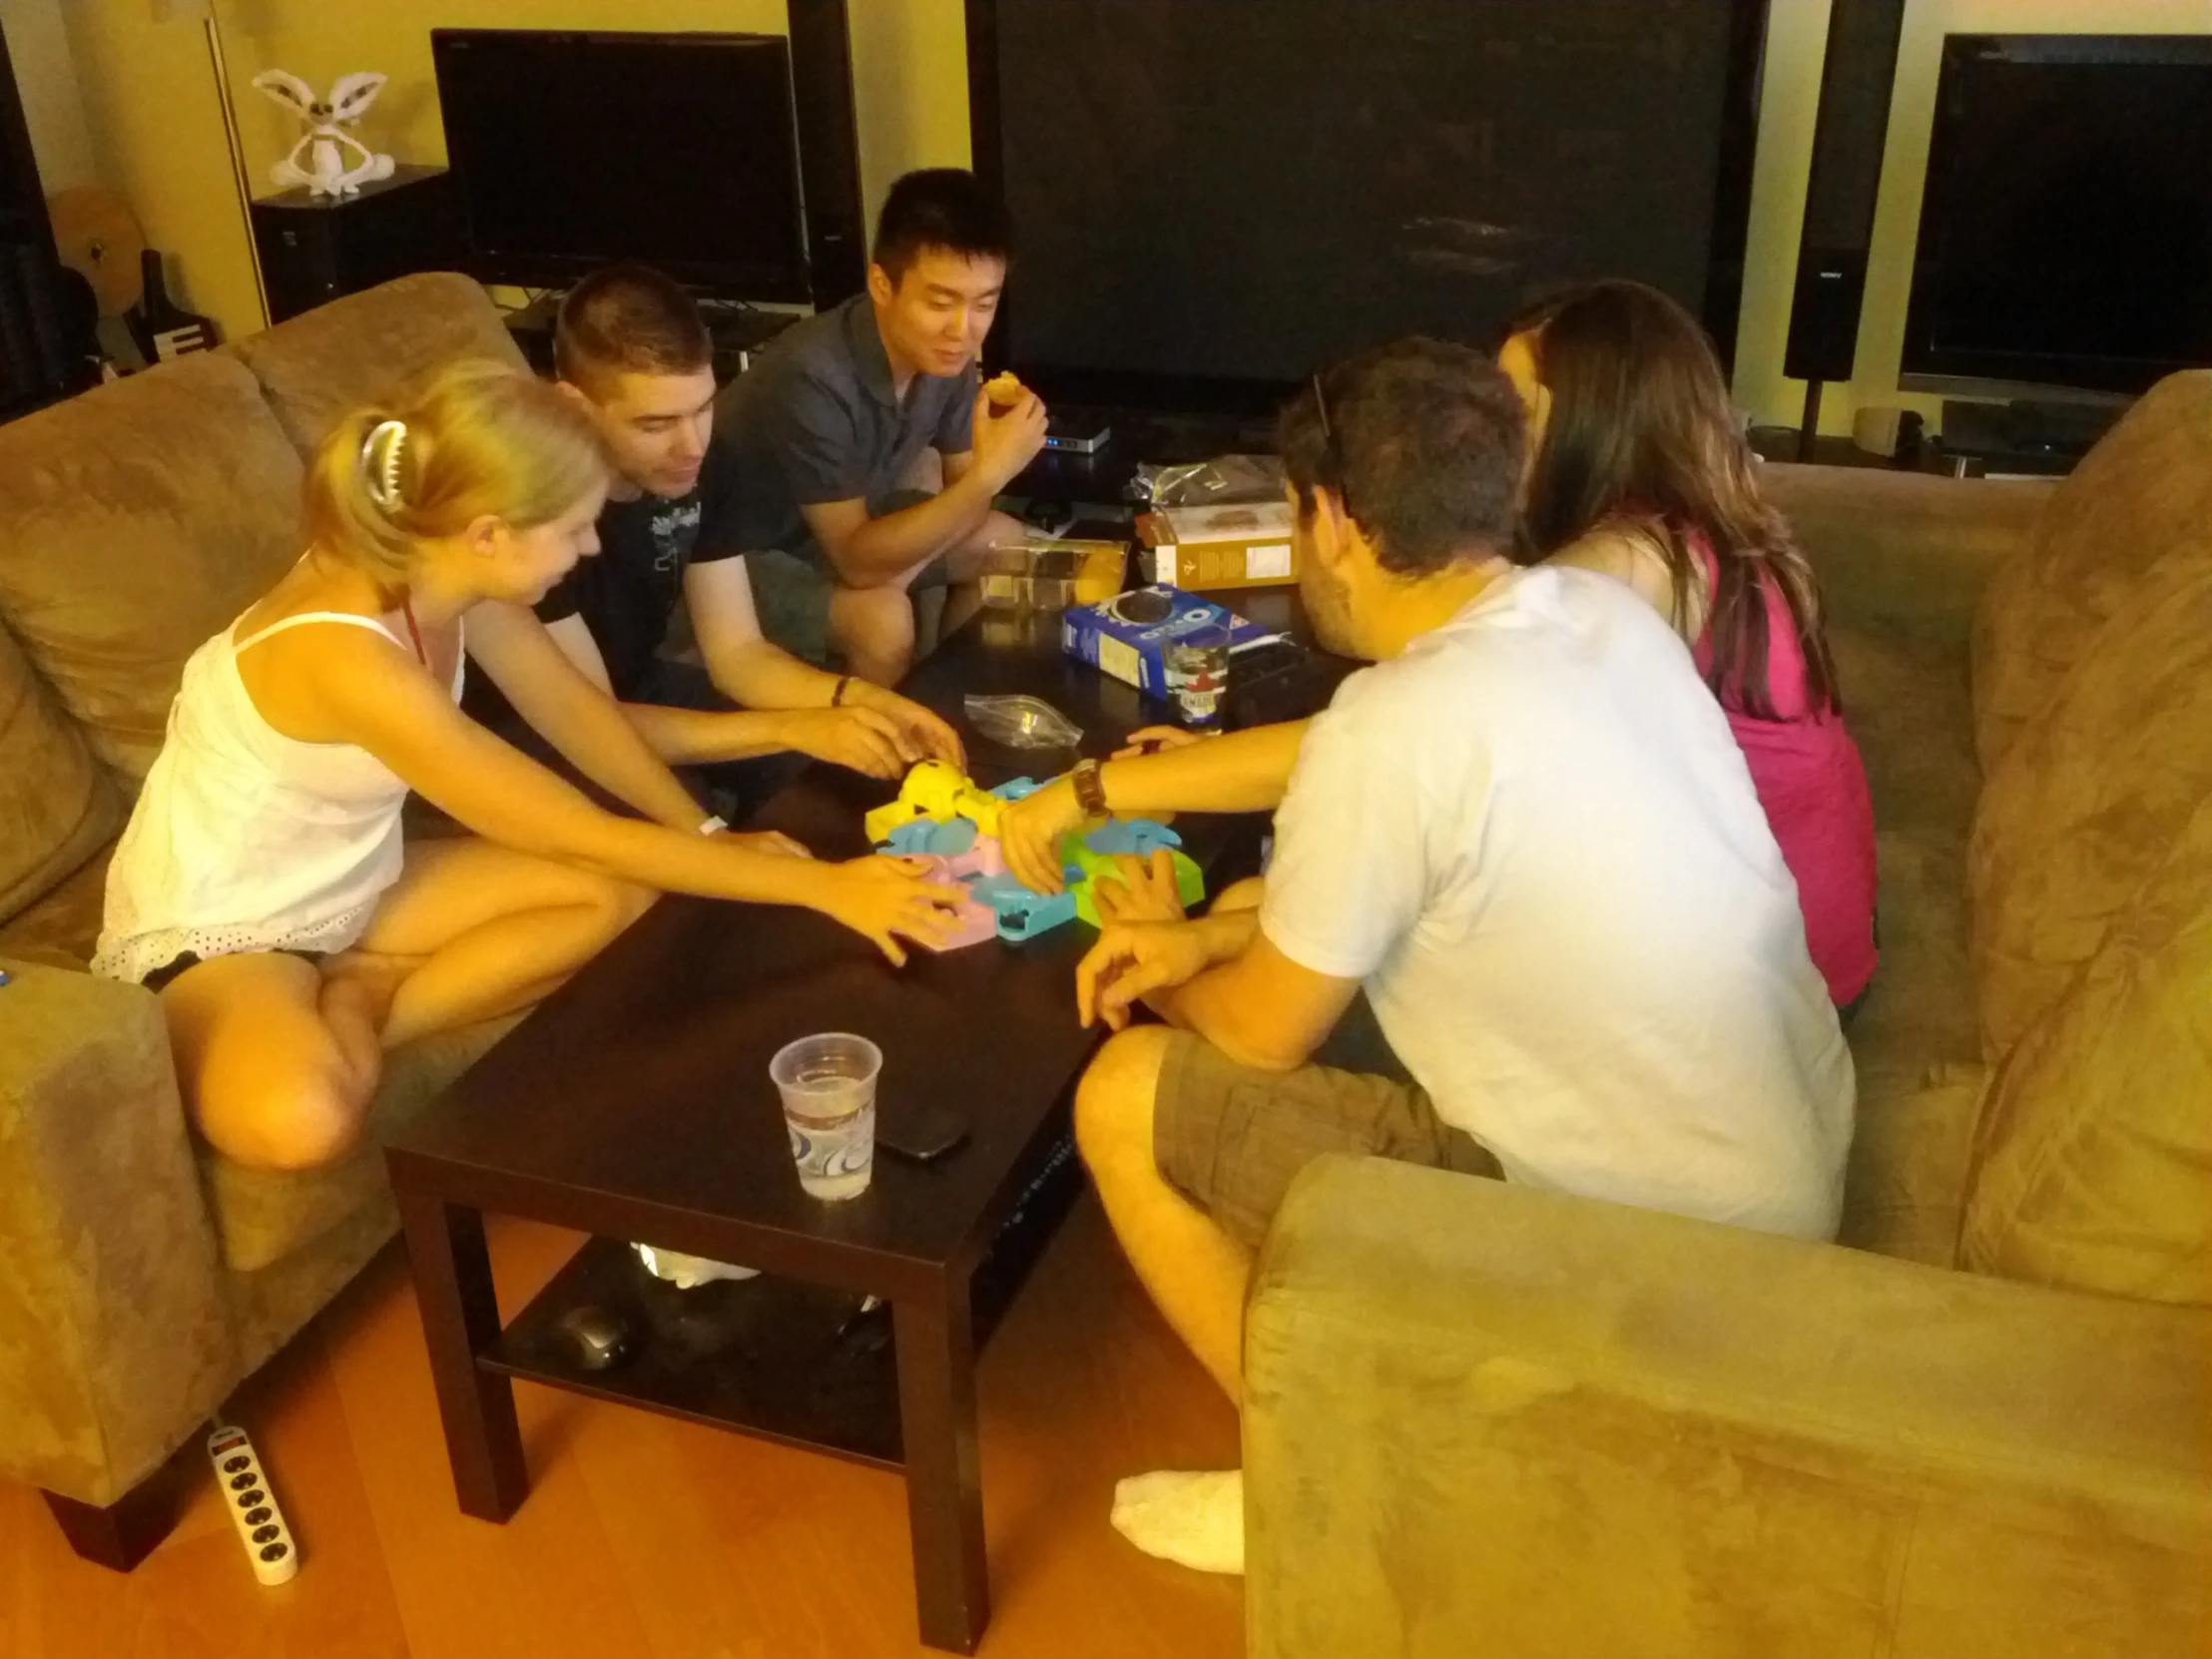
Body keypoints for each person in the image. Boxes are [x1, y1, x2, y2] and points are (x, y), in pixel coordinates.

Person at [1066, 338, 1854, 1573]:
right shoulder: (1598, 610)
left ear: (1329, 520)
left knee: (1117, 1100)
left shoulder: (1386, 730)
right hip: (1787, 1182)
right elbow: (1431, 879)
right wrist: (1213, 930)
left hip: (1657, 1255)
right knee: (1308, 938)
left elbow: (1266, 1031)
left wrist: (1175, 974)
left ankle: (1304, 1484)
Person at [93, 360, 962, 1173]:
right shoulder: (349, 659)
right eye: (577, 527)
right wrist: (829, 886)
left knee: (616, 905)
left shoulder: (447, 574)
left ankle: (363, 992)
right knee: (304, 1121)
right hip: (230, 919)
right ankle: (355, 996)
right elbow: (577, 829)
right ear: (489, 533)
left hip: (353, 882)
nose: (589, 550)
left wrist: (717, 814)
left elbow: (583, 718)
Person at [1498, 278, 1878, 1009]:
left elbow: (1439, 709)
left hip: (1769, 991)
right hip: (1829, 942)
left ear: (1593, 422)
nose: (1485, 436)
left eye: (1513, 412)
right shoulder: (1721, 530)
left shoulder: (1632, 559)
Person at [460, 263, 962, 809]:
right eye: (654, 425)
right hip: (531, 732)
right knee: (709, 801)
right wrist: (790, 727)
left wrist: (862, 701)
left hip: (640, 686)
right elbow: (590, 724)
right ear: (575, 407)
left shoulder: (706, 462)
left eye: (702, 409)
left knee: (823, 777)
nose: (691, 446)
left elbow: (739, 653)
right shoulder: (540, 517)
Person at [717, 167, 1048, 685]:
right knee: (881, 621)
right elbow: (856, 561)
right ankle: (878, 757)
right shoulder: (811, 376)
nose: (963, 331)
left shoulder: (949, 357)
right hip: (742, 556)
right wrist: (994, 471)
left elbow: (966, 499)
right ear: (880, 284)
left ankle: (942, 703)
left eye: (984, 303)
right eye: (940, 303)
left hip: (841, 536)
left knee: (1004, 543)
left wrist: (982, 472)